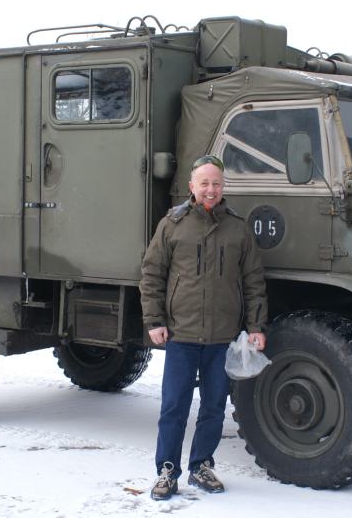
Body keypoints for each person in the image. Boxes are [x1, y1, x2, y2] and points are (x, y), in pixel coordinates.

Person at [139, 154, 268, 500]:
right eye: (204, 183)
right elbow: (152, 275)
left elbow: (254, 279)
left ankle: (201, 466)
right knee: (174, 406)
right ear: (192, 186)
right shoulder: (173, 224)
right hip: (181, 333)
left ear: (223, 187)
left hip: (222, 336)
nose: (210, 189)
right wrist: (154, 320)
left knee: (213, 406)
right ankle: (167, 470)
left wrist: (256, 324)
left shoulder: (238, 228)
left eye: (216, 183)